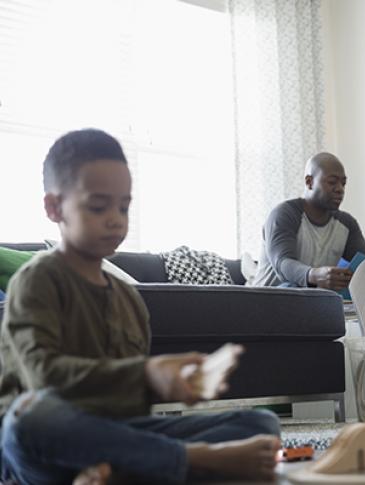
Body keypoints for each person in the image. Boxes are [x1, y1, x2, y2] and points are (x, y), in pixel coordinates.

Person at [0, 129, 281, 484]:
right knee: (29, 418)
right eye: (99, 206)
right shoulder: (37, 280)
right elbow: (43, 378)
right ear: (54, 208)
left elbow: (129, 409)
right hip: (43, 446)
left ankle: (120, 471)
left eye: (124, 206)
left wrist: (173, 385)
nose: (116, 219)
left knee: (259, 424)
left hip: (116, 437)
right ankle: (187, 460)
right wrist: (146, 374)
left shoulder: (128, 298)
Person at [252, 152, 365, 290]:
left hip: (310, 303)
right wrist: (315, 275)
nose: (340, 189)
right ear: (309, 182)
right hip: (267, 300)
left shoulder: (346, 223)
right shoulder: (284, 214)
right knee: (290, 286)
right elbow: (283, 264)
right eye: (332, 182)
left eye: (343, 183)